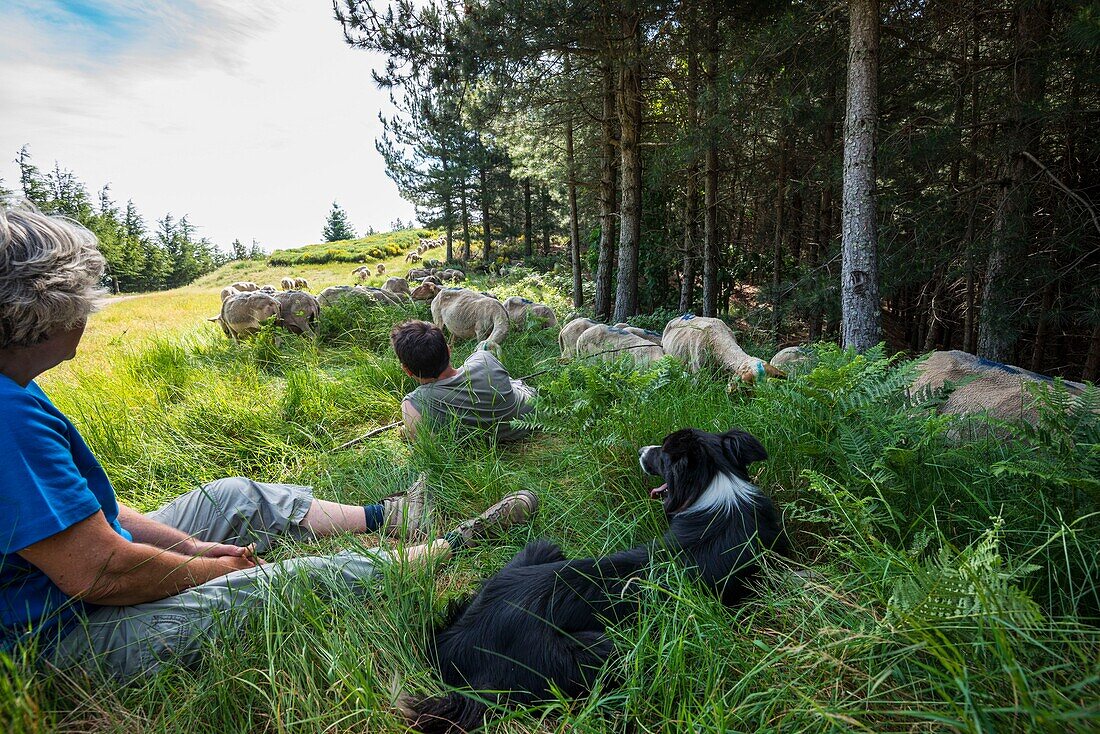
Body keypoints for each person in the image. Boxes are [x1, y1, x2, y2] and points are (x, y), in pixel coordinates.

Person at [0, 203, 539, 681]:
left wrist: (184, 545)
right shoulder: (8, 417)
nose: (90, 313)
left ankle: (387, 517)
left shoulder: (17, 390)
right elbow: (102, 572)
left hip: (70, 577)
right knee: (271, 587)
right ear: (45, 309)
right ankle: (447, 547)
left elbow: (96, 515)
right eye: (84, 300)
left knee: (233, 496)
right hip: (50, 640)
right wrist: (214, 570)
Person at [390, 320, 536, 442]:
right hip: (530, 415)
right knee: (484, 347)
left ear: (407, 370)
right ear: (448, 350)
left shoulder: (413, 403)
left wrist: (407, 429)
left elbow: (431, 445)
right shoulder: (483, 358)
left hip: (492, 440)